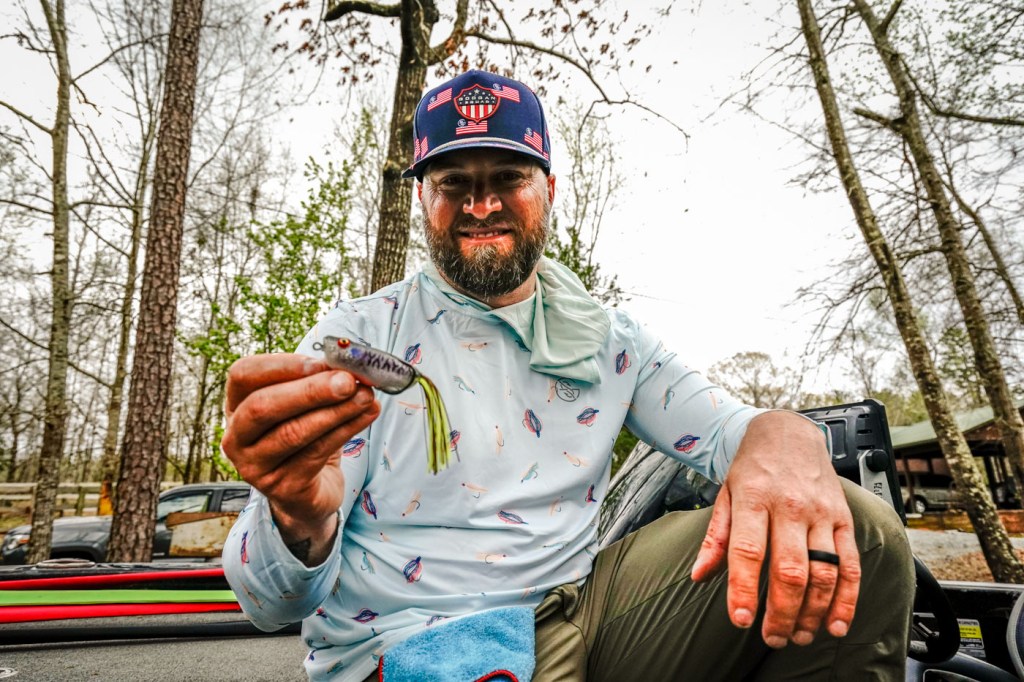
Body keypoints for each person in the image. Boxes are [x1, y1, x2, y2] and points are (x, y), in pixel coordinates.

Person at [222, 70, 914, 681]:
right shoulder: (358, 343)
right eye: (454, 182)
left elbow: (732, 430)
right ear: (423, 198)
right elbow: (267, 603)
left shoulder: (612, 341)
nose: (481, 204)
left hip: (581, 614)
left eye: (507, 177)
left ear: (548, 189)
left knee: (859, 530)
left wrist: (783, 434)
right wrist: (298, 515)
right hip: (408, 646)